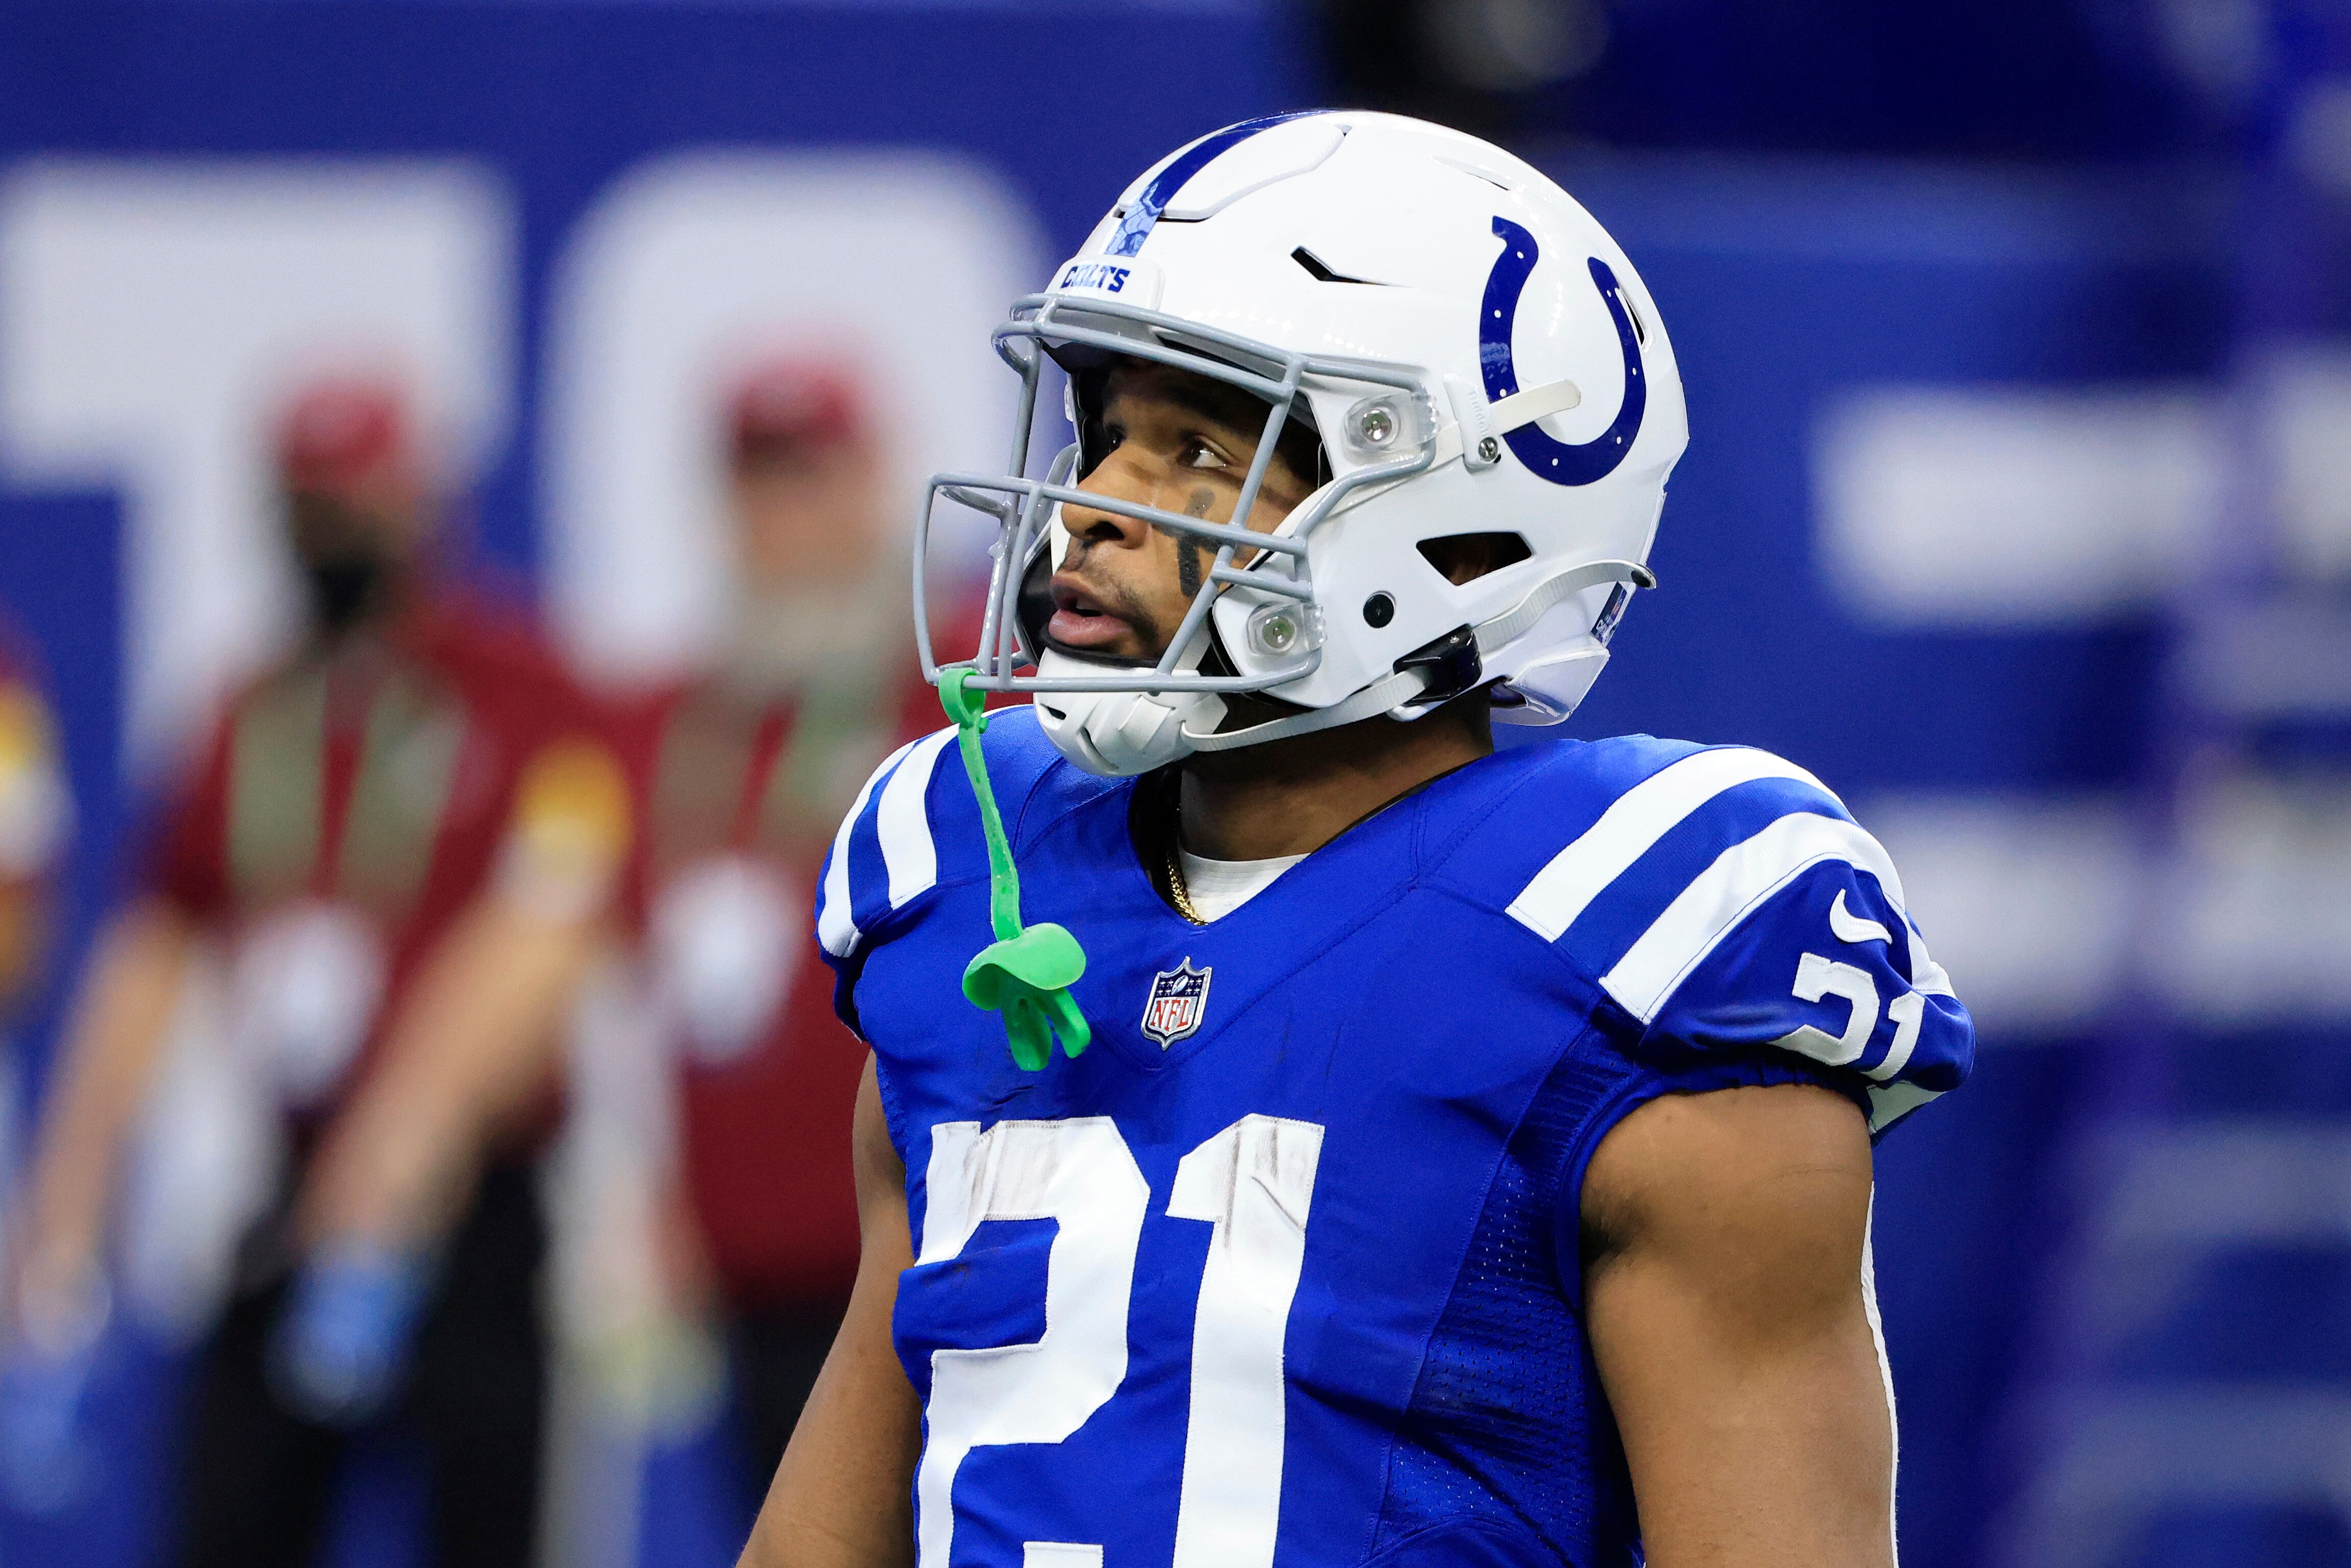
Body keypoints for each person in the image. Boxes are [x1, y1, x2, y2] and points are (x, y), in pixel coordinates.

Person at [741, 110, 1974, 1568]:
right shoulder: (964, 873)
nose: (1093, 511)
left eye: (1200, 446)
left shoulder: (1631, 928)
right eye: (1105, 433)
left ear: (1454, 526)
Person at [8, 377, 627, 1567]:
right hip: (292, 1189)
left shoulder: (522, 686)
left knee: (491, 1524)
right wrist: (70, 1194)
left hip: (474, 1202)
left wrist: (412, 1119)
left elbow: (551, 920)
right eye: (308, 504)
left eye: (355, 501)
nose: (333, 532)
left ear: (423, 501)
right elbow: (153, 945)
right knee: (231, 1512)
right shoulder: (251, 711)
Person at [611, 359, 943, 1507]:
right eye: (755, 485)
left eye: (806, 480)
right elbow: (600, 997)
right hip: (739, 1262)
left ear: (867, 486)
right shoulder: (670, 724)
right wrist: (635, 1194)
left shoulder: (954, 692)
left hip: (922, 1245)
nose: (780, 520)